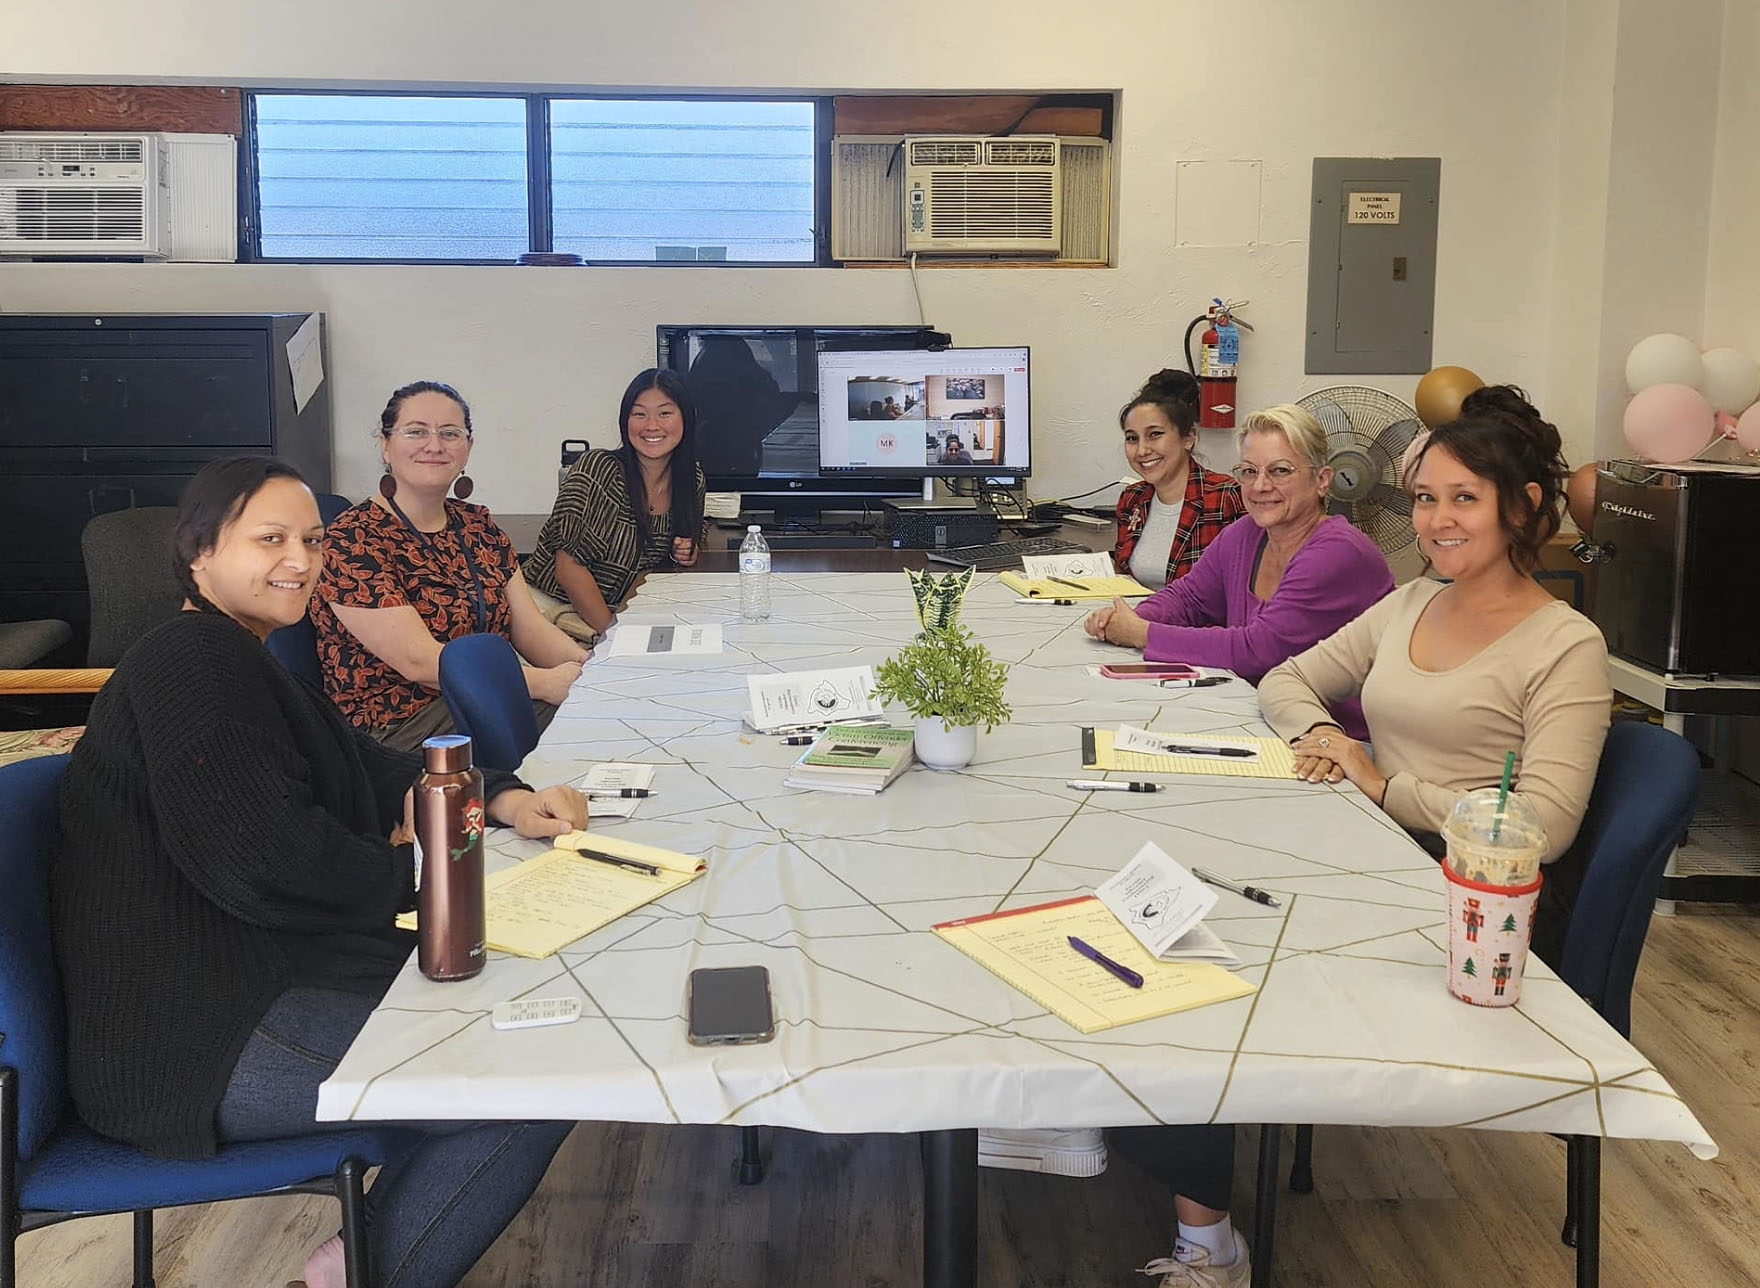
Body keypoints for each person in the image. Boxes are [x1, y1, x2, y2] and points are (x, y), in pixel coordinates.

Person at [54, 456, 591, 1288]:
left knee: (524, 1038)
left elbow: (372, 769)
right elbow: (268, 862)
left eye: (311, 540)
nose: (300, 560)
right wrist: (424, 869)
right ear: (200, 552)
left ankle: (355, 1260)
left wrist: (505, 801)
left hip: (261, 983)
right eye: (270, 539)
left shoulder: (245, 659)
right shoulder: (189, 660)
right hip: (199, 1033)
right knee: (535, 1081)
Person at [1259, 385, 1611, 966]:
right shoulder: (1411, 601)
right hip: (1377, 849)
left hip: (1470, 903)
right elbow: (1285, 679)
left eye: (1464, 498)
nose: (1437, 520)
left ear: (1522, 506)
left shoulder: (1567, 645)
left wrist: (1383, 788)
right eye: (1425, 498)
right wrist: (1325, 736)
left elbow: (1543, 827)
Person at [1084, 404, 1393, 738]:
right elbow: (1189, 598)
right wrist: (1130, 617)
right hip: (1261, 718)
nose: (1260, 486)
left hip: (1339, 741)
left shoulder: (1339, 552)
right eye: (1248, 471)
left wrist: (1141, 633)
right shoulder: (1246, 533)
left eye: (1280, 471)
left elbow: (1258, 651)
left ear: (1322, 480)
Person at [313, 381, 588, 749]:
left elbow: (530, 630)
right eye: (416, 432)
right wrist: (544, 683)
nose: (434, 445)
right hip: (395, 730)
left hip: (484, 697)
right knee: (583, 725)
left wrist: (593, 670)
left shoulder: (478, 526)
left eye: (449, 433)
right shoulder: (352, 539)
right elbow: (420, 663)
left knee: (603, 707)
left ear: (468, 447)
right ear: (385, 444)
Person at [524, 369, 707, 644]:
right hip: (549, 610)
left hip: (618, 615)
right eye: (639, 414)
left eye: (665, 413)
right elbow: (568, 569)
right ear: (625, 420)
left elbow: (695, 536)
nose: (652, 425)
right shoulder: (598, 470)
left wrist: (688, 551)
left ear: (686, 418)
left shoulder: (692, 479)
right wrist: (614, 636)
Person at [1114, 369, 1246, 589]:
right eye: (1132, 438)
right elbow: (1123, 578)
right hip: (1139, 611)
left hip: (1198, 613)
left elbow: (1245, 586)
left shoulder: (1226, 497)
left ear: (1188, 438)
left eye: (1155, 434)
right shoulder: (1132, 498)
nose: (1142, 450)